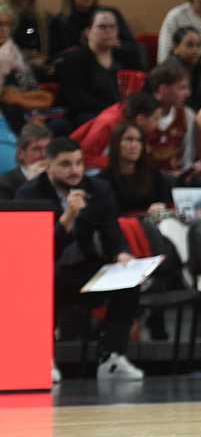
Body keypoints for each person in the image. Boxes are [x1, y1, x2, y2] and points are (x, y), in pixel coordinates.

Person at [26, 138, 145, 380]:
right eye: (66, 164)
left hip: (84, 268)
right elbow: (38, 251)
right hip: (46, 270)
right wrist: (68, 216)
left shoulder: (98, 189)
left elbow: (112, 232)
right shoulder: (30, 193)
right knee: (44, 279)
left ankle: (111, 357)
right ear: (48, 165)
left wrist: (122, 254)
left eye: (79, 163)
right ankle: (41, 357)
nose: (75, 170)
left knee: (129, 281)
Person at [52, 7, 126, 130]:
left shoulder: (124, 59)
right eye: (102, 27)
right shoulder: (73, 60)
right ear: (88, 32)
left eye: (112, 27)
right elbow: (78, 100)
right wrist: (113, 110)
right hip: (85, 115)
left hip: (118, 113)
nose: (108, 31)